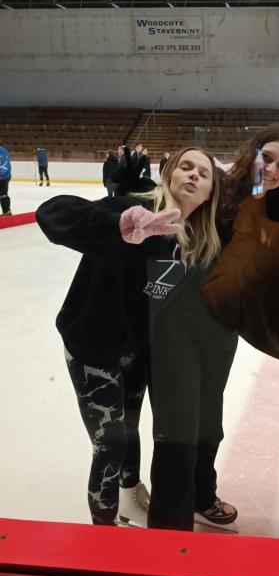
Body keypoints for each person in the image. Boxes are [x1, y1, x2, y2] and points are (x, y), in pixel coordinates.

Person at [36, 146, 235, 531]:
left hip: (138, 351)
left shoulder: (202, 239)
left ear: (211, 192)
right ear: (169, 175)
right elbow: (54, 212)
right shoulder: (133, 208)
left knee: (129, 430)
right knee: (110, 443)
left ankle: (129, 494)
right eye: (185, 166)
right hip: (93, 346)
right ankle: (105, 532)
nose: (193, 175)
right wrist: (117, 225)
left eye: (203, 173)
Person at [201, 125, 279, 361]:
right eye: (266, 157)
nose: (271, 169)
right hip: (196, 302)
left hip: (229, 316)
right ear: (253, 154)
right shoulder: (221, 187)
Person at [0, 142, 12, 217]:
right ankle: (6, 211)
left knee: (3, 194)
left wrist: (0, 173)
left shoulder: (3, 151)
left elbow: (4, 164)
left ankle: (7, 211)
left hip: (4, 176)